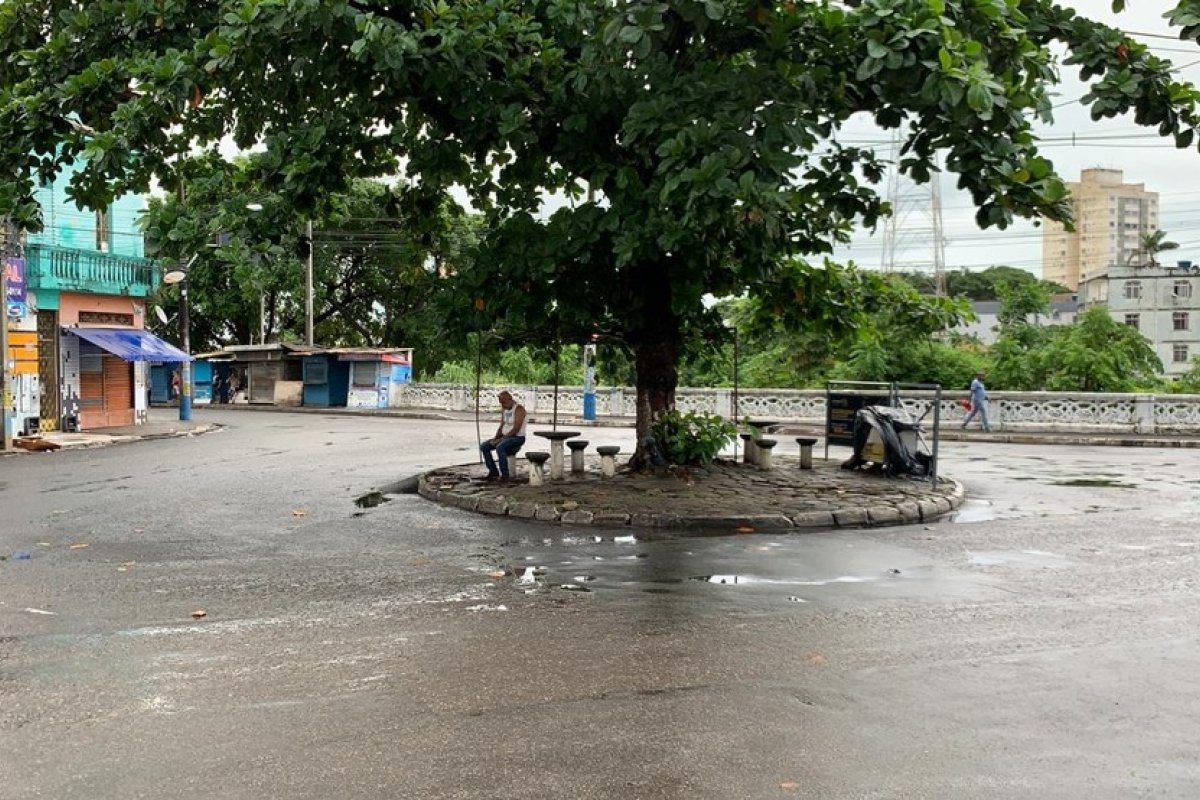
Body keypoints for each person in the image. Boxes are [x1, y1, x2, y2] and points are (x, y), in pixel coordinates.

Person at [480, 391, 527, 480]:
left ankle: (505, 475)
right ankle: (493, 471)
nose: (502, 406)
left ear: (510, 400)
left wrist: (501, 440)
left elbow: (516, 429)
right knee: (484, 446)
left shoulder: (519, 409)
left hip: (517, 438)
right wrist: (496, 438)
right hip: (505, 437)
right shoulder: (504, 410)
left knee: (500, 447)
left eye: (504, 403)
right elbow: (502, 425)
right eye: (501, 403)